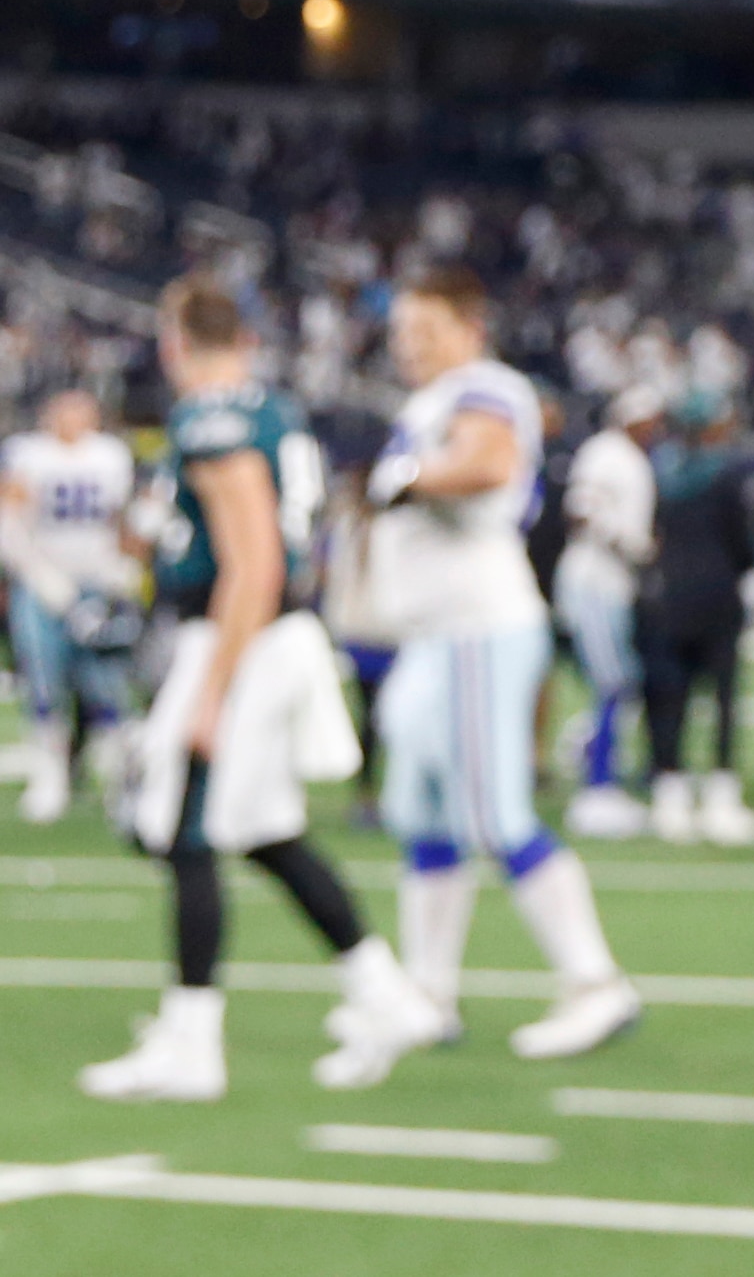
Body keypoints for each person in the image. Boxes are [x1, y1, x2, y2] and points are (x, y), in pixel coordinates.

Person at [82, 278, 440, 1101]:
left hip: (240, 634)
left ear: (177, 340)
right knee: (266, 831)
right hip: (271, 637)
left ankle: (191, 1041)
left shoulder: (215, 416)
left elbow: (252, 561)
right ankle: (382, 992)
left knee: (186, 830)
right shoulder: (268, 407)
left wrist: (211, 689)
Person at [361, 266, 640, 1071]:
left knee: (494, 815)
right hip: (433, 636)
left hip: (480, 627)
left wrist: (410, 482)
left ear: (468, 329)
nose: (411, 346)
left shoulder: (484, 387)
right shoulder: (428, 400)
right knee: (419, 811)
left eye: (427, 330)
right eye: (403, 332)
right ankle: (427, 993)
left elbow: (484, 463)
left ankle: (595, 983)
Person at [3, 388, 140, 824]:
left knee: (107, 682)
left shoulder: (111, 456)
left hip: (97, 586)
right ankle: (51, 778)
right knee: (43, 680)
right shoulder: (28, 454)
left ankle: (125, 779)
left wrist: (124, 567)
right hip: (43, 584)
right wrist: (38, 575)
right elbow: (8, 518)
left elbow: (123, 518)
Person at [643, 395, 754, 845]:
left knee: (669, 697)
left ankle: (669, 794)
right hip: (717, 597)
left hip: (667, 596)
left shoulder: (660, 471)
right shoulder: (727, 474)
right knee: (723, 697)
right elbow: (744, 545)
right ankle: (719, 797)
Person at [556, 383, 667, 839]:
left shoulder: (630, 456)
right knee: (614, 683)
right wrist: (628, 543)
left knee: (620, 682)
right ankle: (596, 789)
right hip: (594, 580)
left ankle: (595, 763)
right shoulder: (605, 452)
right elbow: (580, 511)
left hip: (612, 583)